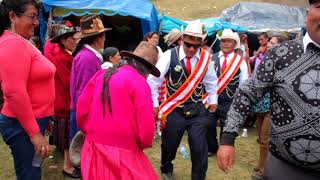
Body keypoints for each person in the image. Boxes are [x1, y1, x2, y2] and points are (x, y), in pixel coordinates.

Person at [217, 0, 320, 179]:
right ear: (306, 14)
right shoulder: (282, 54)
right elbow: (246, 94)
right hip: (284, 170)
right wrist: (227, 140)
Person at [76, 41, 160, 180]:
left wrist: (89, 130)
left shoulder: (102, 74)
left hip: (94, 147)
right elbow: (146, 129)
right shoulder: (139, 83)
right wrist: (141, 144)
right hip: (124, 152)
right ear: (147, 69)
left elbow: (82, 107)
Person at [148, 21, 218, 180]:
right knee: (169, 145)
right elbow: (153, 81)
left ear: (201, 43)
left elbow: (211, 82)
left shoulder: (206, 58)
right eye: (188, 44)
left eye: (196, 45)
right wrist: (154, 104)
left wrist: (213, 100)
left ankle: (198, 177)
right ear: (182, 39)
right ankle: (166, 168)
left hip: (197, 110)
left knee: (199, 147)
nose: (192, 49)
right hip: (174, 110)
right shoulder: (168, 56)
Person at [0, 0, 56, 179]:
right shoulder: (11, 44)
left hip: (29, 121)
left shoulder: (20, 42)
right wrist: (34, 134)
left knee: (32, 172)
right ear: (12, 17)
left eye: (36, 17)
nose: (36, 22)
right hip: (22, 125)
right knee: (29, 175)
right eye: (32, 17)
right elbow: (14, 92)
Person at [43, 21, 80, 178]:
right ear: (63, 40)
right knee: (66, 138)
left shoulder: (59, 52)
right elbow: (68, 82)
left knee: (65, 136)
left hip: (60, 100)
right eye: (71, 38)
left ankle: (68, 165)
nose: (75, 41)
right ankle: (67, 167)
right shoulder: (62, 57)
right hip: (64, 102)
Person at [206, 29, 249, 156]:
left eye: (228, 41)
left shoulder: (240, 61)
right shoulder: (212, 58)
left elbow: (244, 83)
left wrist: (239, 102)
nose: (225, 44)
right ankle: (211, 147)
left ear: (234, 44)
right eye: (223, 41)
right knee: (208, 124)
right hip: (212, 98)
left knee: (226, 125)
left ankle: (223, 148)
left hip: (230, 100)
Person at [70, 14, 111, 140]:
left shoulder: (88, 56)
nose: (105, 39)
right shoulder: (87, 58)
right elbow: (84, 93)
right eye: (103, 36)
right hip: (84, 115)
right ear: (98, 38)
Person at [251, 36, 281, 180]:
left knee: (264, 140)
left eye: (273, 43)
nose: (269, 45)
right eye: (269, 42)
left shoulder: (281, 62)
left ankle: (263, 171)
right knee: (261, 139)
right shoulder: (263, 58)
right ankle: (262, 163)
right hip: (259, 104)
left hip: (271, 106)